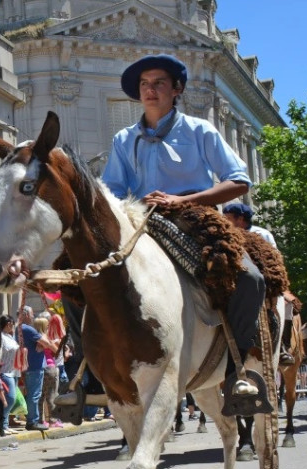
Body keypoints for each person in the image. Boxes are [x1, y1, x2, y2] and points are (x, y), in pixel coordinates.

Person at [102, 54, 261, 398]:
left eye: (159, 83)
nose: (150, 89)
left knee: (251, 278)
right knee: (80, 277)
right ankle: (94, 370)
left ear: (177, 90)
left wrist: (183, 201)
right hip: (141, 222)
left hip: (196, 220)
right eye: (145, 84)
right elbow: (112, 192)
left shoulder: (199, 130)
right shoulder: (122, 139)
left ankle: (238, 370)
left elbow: (239, 181)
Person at [222, 201, 296, 366]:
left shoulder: (262, 234)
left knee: (288, 306)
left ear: (240, 219)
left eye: (227, 218)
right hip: (233, 280)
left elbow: (274, 259)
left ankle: (283, 346)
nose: (224, 221)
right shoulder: (225, 234)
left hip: (264, 282)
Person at [19, 309, 48, 431]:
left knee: (30, 394)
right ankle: (32, 421)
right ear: (25, 315)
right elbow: (46, 343)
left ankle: (32, 419)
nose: (33, 316)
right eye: (31, 314)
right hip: (34, 367)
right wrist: (43, 342)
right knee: (34, 395)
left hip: (26, 366)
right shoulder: (27, 329)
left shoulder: (19, 329)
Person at [0, 314, 19, 434]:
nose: (12, 325)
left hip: (13, 371)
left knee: (10, 399)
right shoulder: (0, 337)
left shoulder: (10, 336)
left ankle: (4, 425)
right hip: (4, 371)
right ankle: (0, 425)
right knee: (9, 398)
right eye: (11, 323)